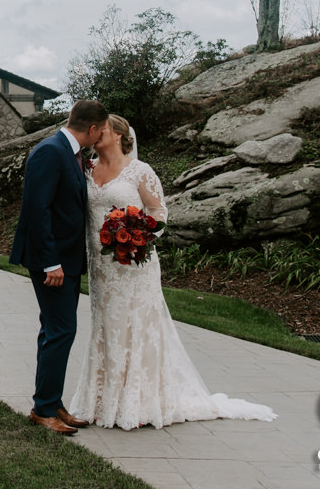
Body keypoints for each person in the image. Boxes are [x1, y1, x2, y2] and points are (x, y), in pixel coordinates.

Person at [68, 115, 277, 429]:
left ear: (120, 135)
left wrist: (143, 237)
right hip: (101, 267)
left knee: (136, 328)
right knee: (106, 329)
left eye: (104, 129)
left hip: (135, 264)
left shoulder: (140, 171)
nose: (96, 134)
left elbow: (158, 211)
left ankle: (138, 404)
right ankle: (101, 401)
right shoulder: (86, 168)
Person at [9, 99, 108, 435]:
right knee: (62, 330)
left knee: (54, 329)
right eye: (100, 132)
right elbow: (38, 211)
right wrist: (51, 262)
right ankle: (43, 409)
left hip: (65, 258)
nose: (99, 139)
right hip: (51, 261)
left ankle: (51, 401)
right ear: (92, 129)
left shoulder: (71, 154)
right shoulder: (50, 151)